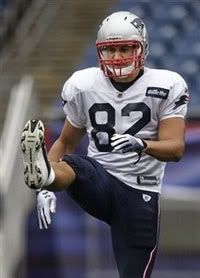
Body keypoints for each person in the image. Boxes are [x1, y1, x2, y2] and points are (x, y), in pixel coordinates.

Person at [21, 11, 189, 278]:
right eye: (110, 49)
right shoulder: (83, 85)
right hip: (99, 181)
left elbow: (176, 148)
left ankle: (51, 174)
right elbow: (65, 142)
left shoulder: (166, 85)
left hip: (139, 190)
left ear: (143, 48)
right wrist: (47, 186)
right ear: (100, 52)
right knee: (78, 166)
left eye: (125, 48)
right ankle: (48, 174)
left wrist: (141, 144)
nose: (117, 56)